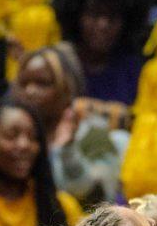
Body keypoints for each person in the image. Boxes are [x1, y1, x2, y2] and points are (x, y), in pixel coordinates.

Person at [12, 43, 131, 207]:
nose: (30, 91)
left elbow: (99, 197)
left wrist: (68, 151)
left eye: (42, 83)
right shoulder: (13, 137)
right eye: (24, 83)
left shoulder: (93, 133)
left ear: (66, 89)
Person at [53, 0, 151, 106]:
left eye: (112, 16)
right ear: (75, 16)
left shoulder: (134, 67)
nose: (103, 25)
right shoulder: (57, 63)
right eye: (94, 14)